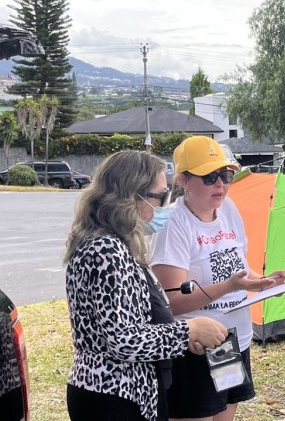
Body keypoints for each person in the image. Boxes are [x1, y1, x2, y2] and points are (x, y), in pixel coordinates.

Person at [65, 150, 229, 421]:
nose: (166, 204)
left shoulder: (112, 242)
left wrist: (183, 340)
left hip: (126, 392)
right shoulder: (105, 249)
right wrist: (188, 332)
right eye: (160, 196)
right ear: (131, 197)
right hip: (114, 397)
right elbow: (123, 340)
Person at [152, 136, 285, 421]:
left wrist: (261, 282)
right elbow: (171, 303)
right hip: (196, 346)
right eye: (209, 176)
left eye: (226, 175)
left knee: (225, 415)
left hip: (231, 339)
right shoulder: (174, 224)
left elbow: (237, 266)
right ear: (184, 180)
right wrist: (229, 287)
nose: (221, 185)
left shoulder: (228, 209)